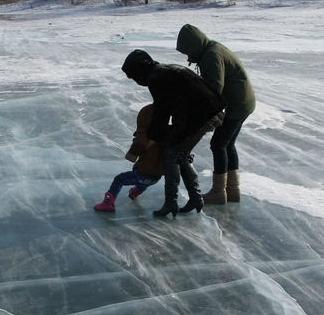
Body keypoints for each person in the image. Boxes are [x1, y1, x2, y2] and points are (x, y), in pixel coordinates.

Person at [122, 50, 225, 218]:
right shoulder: (165, 70)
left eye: (133, 76)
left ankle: (171, 202)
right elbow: (169, 107)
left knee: (172, 154)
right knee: (180, 154)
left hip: (204, 115)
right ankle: (195, 198)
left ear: (141, 69)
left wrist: (151, 139)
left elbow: (161, 113)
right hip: (210, 111)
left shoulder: (156, 77)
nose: (134, 80)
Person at [176, 24, 255, 206]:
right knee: (228, 145)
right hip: (244, 101)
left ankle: (219, 192)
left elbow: (214, 88)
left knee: (218, 144)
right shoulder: (212, 48)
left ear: (195, 44)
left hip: (237, 104)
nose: (188, 57)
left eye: (188, 52)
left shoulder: (211, 55)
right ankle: (233, 191)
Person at [94, 103, 165, 212]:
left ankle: (108, 203)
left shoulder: (145, 135)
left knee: (119, 179)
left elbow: (139, 145)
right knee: (143, 181)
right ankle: (135, 193)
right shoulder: (167, 136)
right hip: (156, 178)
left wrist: (132, 153)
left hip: (143, 174)